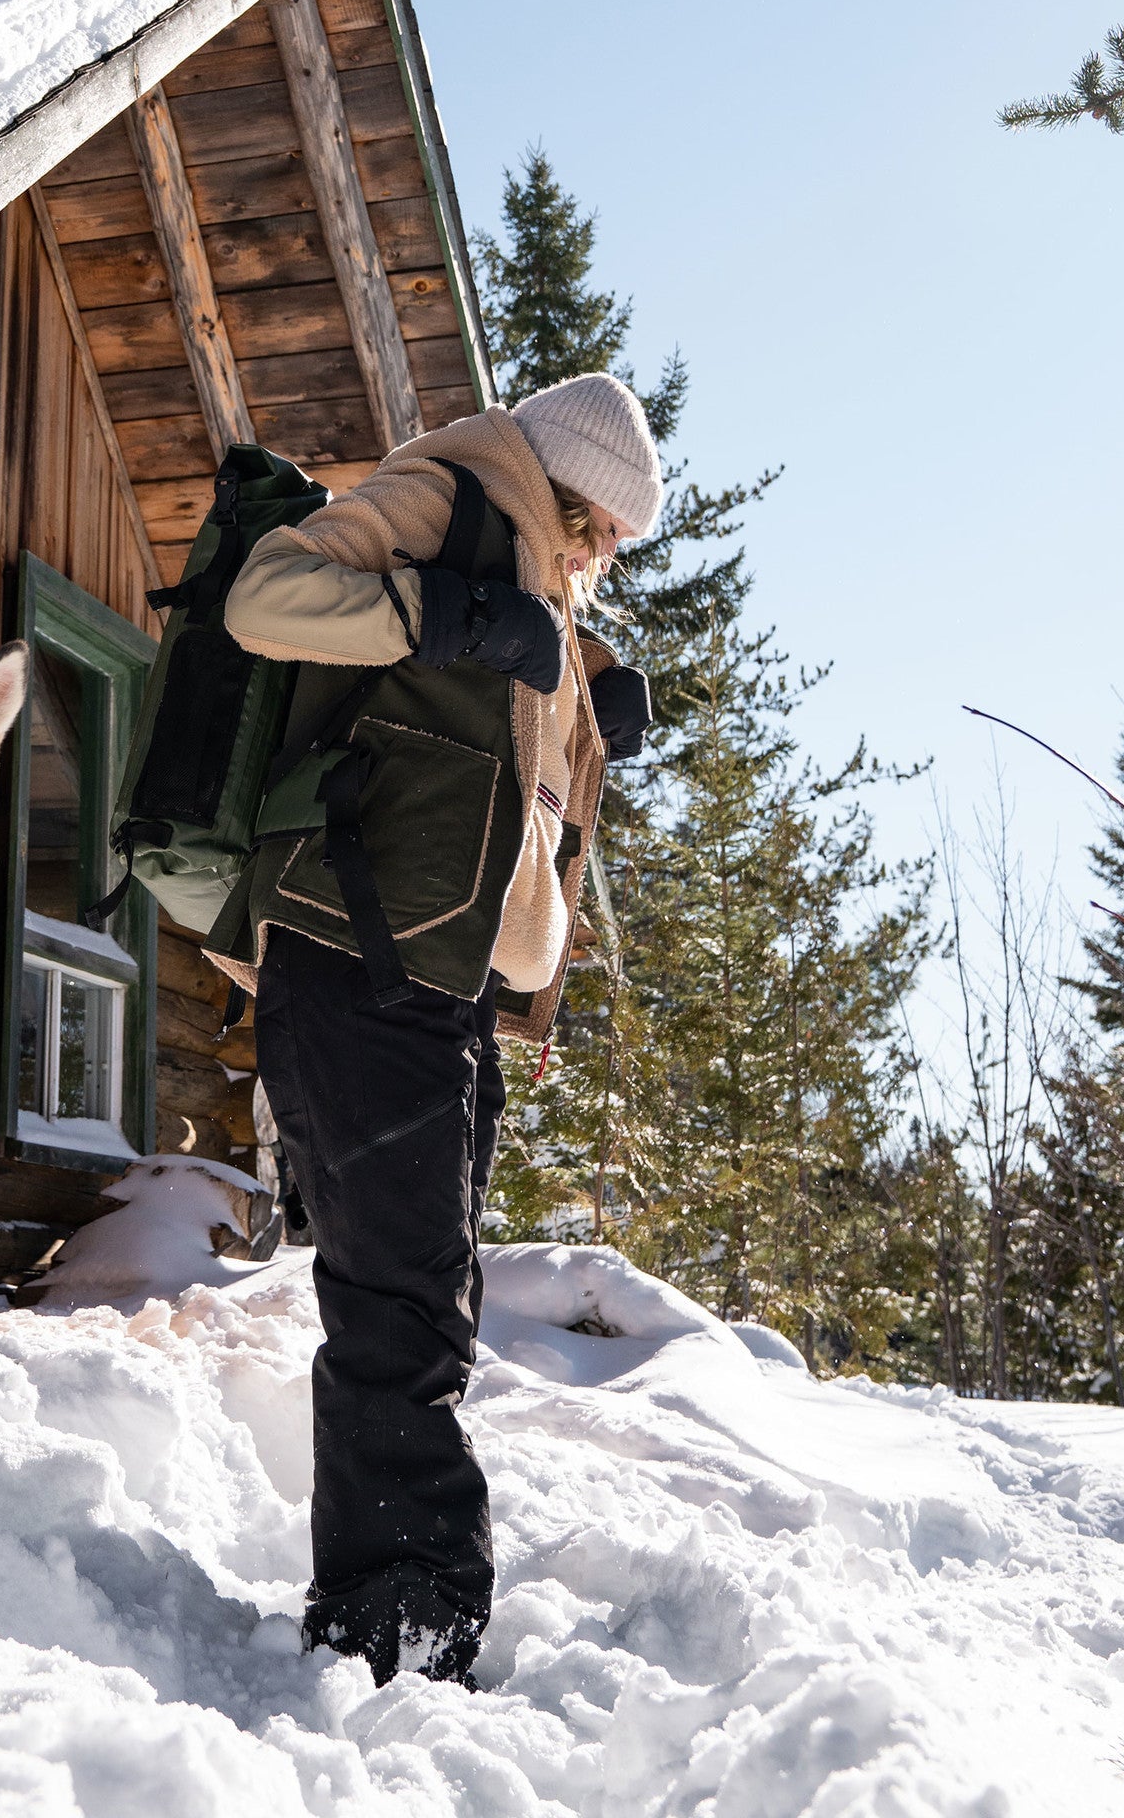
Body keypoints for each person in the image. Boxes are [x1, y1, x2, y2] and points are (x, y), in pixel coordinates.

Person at [219, 373, 660, 1687]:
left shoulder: (532, 564)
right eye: (595, 529)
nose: (596, 558)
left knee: (427, 1301)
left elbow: (495, 748)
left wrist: (590, 713)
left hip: (438, 982)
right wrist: (453, 611)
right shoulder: (448, 493)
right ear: (559, 485)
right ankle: (396, 1628)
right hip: (353, 963)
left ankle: (400, 1610)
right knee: (399, 1309)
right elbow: (267, 599)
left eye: (609, 547)